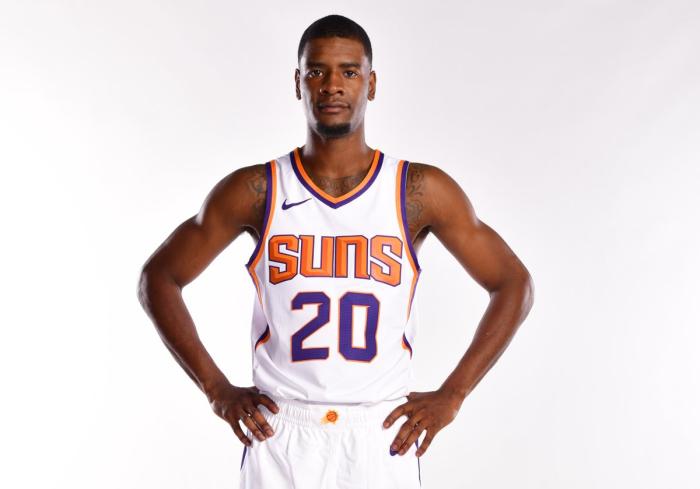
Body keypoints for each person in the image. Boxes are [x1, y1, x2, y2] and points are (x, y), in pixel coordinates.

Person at [138, 13, 534, 489]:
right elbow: (158, 278)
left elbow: (512, 283)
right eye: (316, 71)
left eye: (349, 71)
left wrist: (454, 395)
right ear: (298, 83)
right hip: (280, 430)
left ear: (371, 83)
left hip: (381, 432)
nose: (332, 86)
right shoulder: (256, 189)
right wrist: (216, 389)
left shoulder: (418, 190)